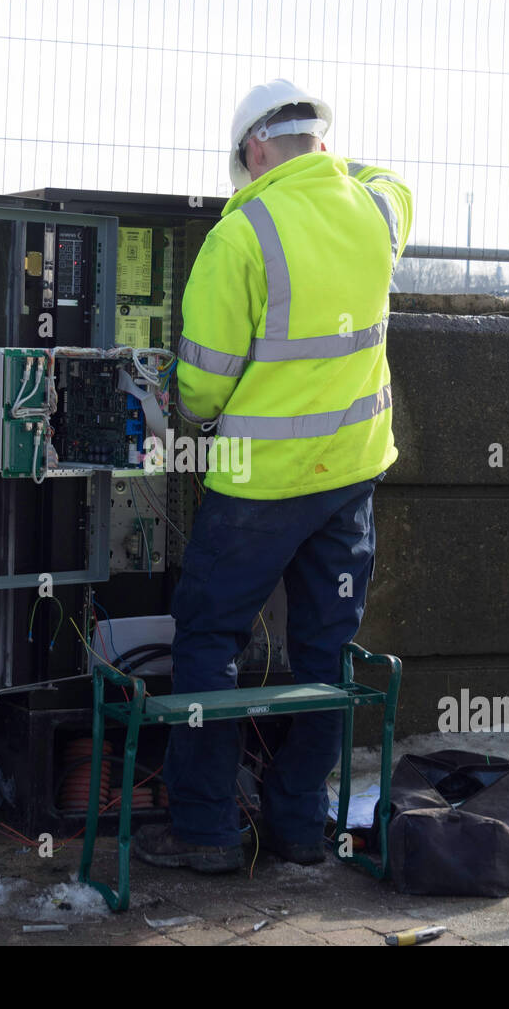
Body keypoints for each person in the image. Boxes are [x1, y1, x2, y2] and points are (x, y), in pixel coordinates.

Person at [134, 79, 413, 872]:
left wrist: (183, 408)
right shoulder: (375, 212)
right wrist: (331, 166)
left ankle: (207, 829)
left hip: (258, 485)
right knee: (328, 652)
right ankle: (299, 826)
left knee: (210, 641)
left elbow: (202, 387)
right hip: (350, 479)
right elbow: (393, 180)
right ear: (321, 146)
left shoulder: (240, 235)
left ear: (253, 151)